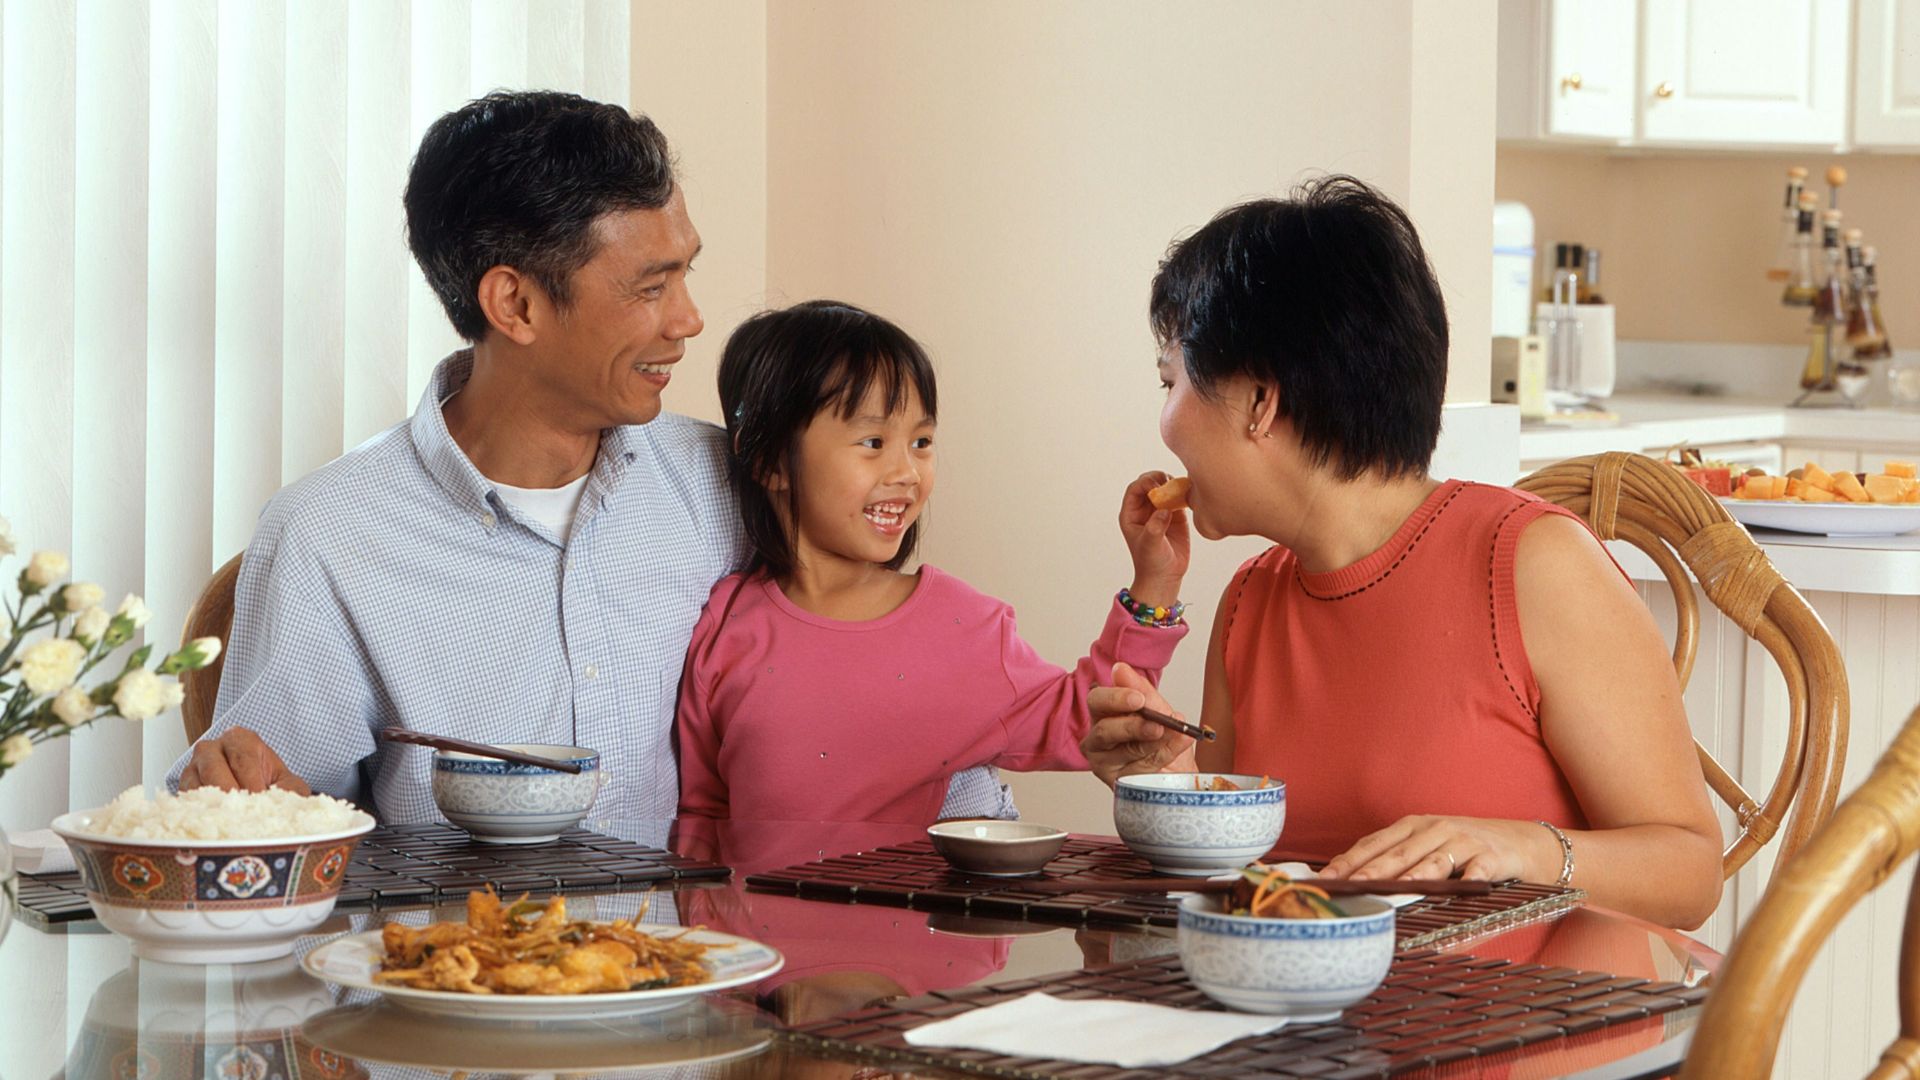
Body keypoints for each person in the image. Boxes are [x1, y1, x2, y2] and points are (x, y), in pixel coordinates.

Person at [167, 91, 1009, 821]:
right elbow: (261, 820)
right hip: (454, 993)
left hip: (733, 992)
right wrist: (243, 799)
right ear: (516, 303)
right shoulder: (332, 536)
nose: (688, 320)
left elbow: (902, 677)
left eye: (686, 275)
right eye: (650, 286)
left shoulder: (737, 485)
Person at [1079, 177, 1722, 930]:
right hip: (1315, 1035)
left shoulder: (1535, 566)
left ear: (1261, 401)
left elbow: (1691, 872)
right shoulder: (1251, 600)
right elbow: (1253, 889)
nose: (1165, 423)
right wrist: (1170, 781)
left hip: (1526, 1032)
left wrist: (1517, 849)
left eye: (1172, 381)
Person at [674, 300, 1191, 822]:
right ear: (766, 460)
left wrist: (1155, 582)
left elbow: (1089, 717)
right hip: (748, 907)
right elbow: (702, 815)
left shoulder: (963, 624)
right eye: (873, 442)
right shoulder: (725, 622)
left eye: (921, 441)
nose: (907, 471)